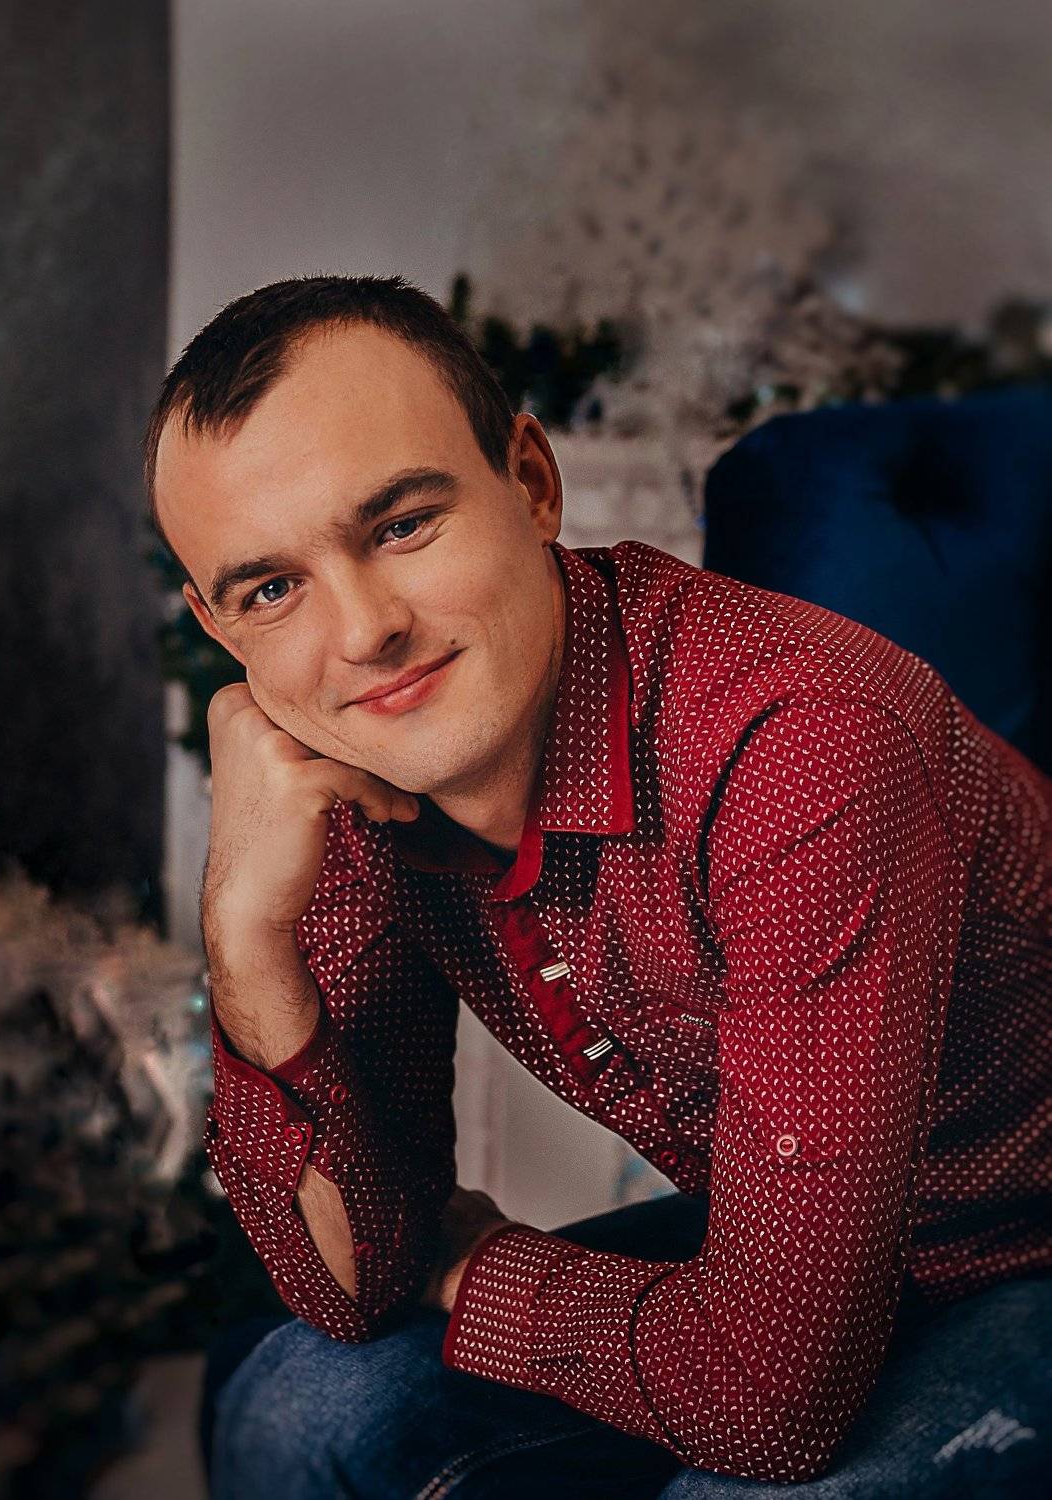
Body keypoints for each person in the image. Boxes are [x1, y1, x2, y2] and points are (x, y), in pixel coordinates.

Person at [144, 275, 1052, 1497]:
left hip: (1022, 1246)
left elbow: (769, 1407)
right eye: (271, 589)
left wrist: (481, 1269)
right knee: (300, 1408)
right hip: (798, 1257)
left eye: (401, 524)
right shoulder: (352, 771)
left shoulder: (801, 749)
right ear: (219, 629)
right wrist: (244, 937)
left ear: (529, 482)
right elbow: (355, 1284)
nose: (361, 634)